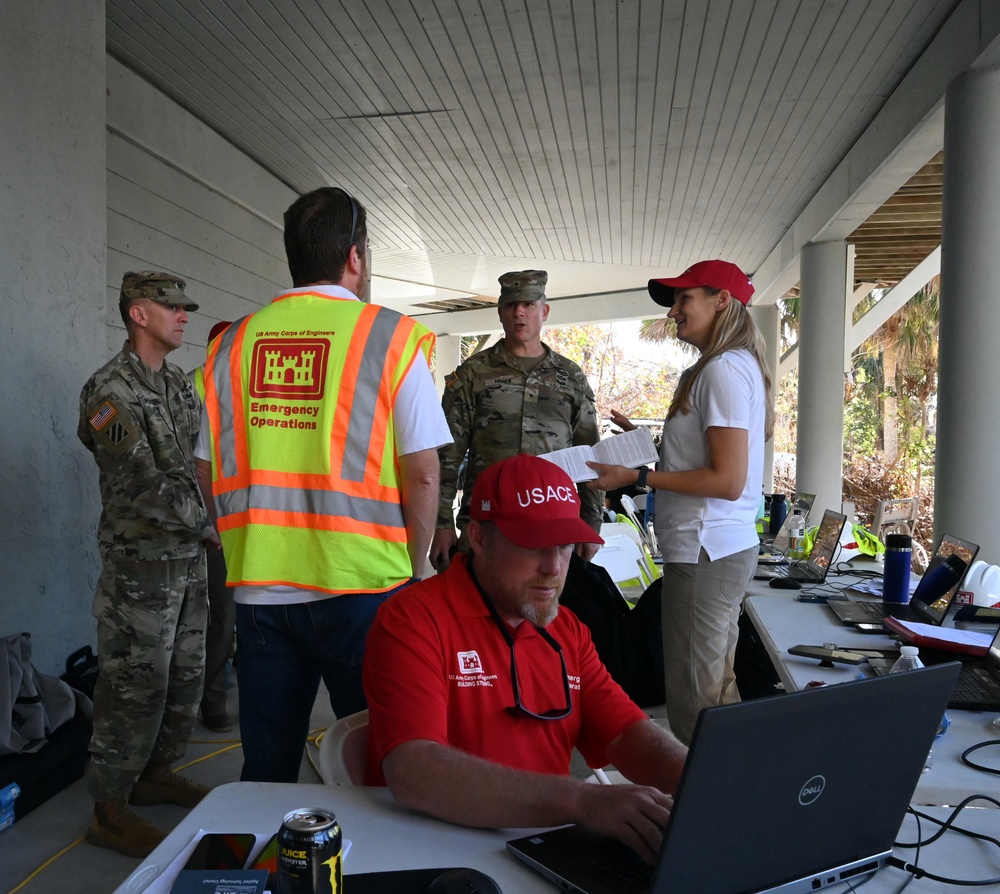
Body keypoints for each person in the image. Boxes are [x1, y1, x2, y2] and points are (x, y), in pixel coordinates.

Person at [195, 186, 452, 783]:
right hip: (361, 589)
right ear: (355, 257)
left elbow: (205, 465)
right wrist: (416, 568)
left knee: (266, 768)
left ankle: (272, 870)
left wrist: (241, 539)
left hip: (260, 591)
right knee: (378, 765)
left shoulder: (229, 345)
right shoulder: (390, 338)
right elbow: (423, 471)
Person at [364, 454, 688, 863]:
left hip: (542, 851)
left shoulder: (566, 628)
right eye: (533, 545)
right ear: (479, 538)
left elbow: (625, 732)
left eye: (565, 546)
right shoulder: (412, 619)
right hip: (432, 852)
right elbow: (414, 771)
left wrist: (695, 778)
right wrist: (583, 801)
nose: (553, 568)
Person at [587, 260, 774, 745]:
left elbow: (727, 480)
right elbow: (713, 464)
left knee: (696, 704)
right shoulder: (730, 366)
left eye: (683, 298)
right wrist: (647, 446)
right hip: (715, 550)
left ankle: (714, 812)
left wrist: (640, 475)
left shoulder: (723, 371)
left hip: (705, 552)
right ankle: (731, 798)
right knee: (716, 690)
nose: (673, 311)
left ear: (722, 301)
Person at [79, 271, 219, 858]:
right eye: (172, 307)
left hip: (186, 561)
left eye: (185, 307)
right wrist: (215, 525)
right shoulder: (108, 391)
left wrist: (209, 520)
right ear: (139, 314)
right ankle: (109, 808)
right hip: (141, 568)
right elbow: (144, 483)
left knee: (186, 674)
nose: (184, 315)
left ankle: (156, 773)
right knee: (135, 683)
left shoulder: (179, 386)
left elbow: (193, 463)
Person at [430, 270, 603, 571]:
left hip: (553, 525)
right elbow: (446, 454)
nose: (519, 312)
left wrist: (591, 521)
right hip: (488, 527)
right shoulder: (473, 374)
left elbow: (589, 455)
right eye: (510, 305)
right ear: (500, 313)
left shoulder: (569, 376)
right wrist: (441, 524)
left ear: (544, 311)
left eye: (528, 303)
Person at [190, 320, 236, 733]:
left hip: (233, 520)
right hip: (203, 521)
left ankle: (213, 698)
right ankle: (207, 700)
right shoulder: (195, 386)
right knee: (212, 617)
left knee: (225, 616)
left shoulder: (235, 385)